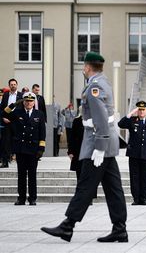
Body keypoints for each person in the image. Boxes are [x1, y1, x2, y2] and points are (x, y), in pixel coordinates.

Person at [41, 51, 128, 243]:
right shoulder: (103, 82)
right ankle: (120, 228)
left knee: (85, 186)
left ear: (88, 67)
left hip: (98, 144)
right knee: (114, 188)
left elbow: (101, 118)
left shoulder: (94, 87)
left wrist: (100, 146)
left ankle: (68, 225)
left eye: (84, 66)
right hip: (104, 142)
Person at [2, 93, 45, 205]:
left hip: (33, 149)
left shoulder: (39, 114)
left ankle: (32, 198)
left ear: (33, 102)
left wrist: (41, 148)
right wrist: (13, 104)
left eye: (31, 101)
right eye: (26, 101)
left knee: (32, 175)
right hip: (20, 148)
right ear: (23, 102)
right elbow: (3, 114)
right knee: (21, 175)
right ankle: (21, 198)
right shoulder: (17, 113)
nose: (28, 103)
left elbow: (42, 133)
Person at [118, 101, 146, 205]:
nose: (141, 112)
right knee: (134, 176)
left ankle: (144, 198)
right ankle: (136, 198)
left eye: (143, 109)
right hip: (134, 154)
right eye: (139, 109)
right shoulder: (132, 120)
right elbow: (120, 124)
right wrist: (131, 113)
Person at [1, 78, 22, 168]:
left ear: (17, 85)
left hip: (17, 121)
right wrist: (3, 117)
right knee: (6, 141)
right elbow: (2, 108)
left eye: (14, 84)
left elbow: (22, 109)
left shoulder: (21, 95)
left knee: (18, 141)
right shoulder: (5, 95)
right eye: (11, 84)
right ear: (9, 85)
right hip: (7, 120)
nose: (13, 86)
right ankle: (5, 162)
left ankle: (20, 161)